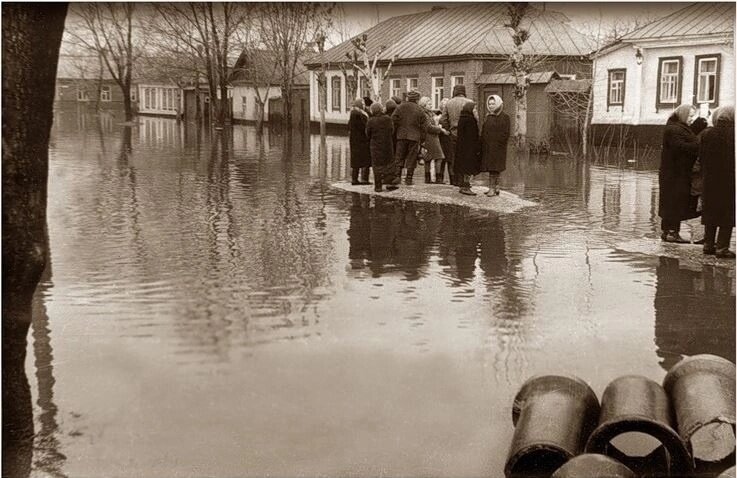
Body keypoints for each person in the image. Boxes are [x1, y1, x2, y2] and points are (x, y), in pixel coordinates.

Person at [658, 103, 699, 243]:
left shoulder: (675, 127)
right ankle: (672, 232)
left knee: (671, 202)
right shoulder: (675, 129)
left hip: (673, 173)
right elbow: (680, 147)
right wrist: (699, 145)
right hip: (675, 174)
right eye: (690, 116)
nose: (691, 119)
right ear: (683, 115)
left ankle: (667, 232)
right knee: (675, 202)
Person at [699, 106, 735, 258]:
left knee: (710, 211)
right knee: (728, 213)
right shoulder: (734, 134)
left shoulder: (707, 133)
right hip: (729, 180)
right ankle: (722, 247)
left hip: (710, 179)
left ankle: (708, 245)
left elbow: (700, 156)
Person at [440, 85, 475, 186]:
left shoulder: (449, 103)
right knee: (465, 157)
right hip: (467, 136)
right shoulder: (470, 103)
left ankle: (455, 181)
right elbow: (476, 119)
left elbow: (443, 120)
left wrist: (449, 129)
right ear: (464, 92)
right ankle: (464, 182)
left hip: (453, 134)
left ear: (454, 92)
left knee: (454, 158)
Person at [391, 90, 426, 185]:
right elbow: (424, 126)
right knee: (412, 157)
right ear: (417, 99)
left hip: (401, 136)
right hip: (414, 137)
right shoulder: (420, 110)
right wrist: (422, 139)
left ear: (408, 98)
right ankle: (409, 178)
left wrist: (395, 132)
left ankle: (397, 176)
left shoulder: (400, 107)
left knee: (399, 155)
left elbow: (393, 120)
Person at [480, 94, 510, 197]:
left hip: (498, 148)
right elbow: (484, 131)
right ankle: (495, 187)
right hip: (488, 147)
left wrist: (498, 142)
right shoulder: (488, 117)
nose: (491, 105)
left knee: (495, 168)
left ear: (498, 103)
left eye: (493, 103)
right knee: (491, 168)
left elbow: (506, 133)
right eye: (489, 103)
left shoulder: (505, 117)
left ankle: (493, 188)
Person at [366, 102, 398, 192]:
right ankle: (389, 184)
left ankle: (378, 186)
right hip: (387, 145)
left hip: (375, 146)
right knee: (389, 164)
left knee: (377, 166)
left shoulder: (371, 121)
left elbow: (367, 134)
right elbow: (392, 131)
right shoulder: (388, 119)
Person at [418, 96, 448, 183]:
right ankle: (438, 179)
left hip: (429, 138)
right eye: (429, 104)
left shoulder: (429, 113)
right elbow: (428, 127)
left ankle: (427, 178)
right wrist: (440, 128)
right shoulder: (424, 114)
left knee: (428, 158)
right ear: (424, 105)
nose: (431, 105)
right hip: (430, 137)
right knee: (439, 157)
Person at [454, 101, 481, 196]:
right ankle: (465, 186)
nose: (476, 111)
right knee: (468, 168)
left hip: (462, 147)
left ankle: (463, 185)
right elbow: (473, 136)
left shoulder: (462, 118)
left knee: (463, 167)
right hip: (469, 148)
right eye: (474, 109)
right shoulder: (470, 120)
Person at [348, 98, 372, 185]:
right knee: (365, 160)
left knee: (356, 161)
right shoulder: (358, 114)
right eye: (363, 104)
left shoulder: (354, 113)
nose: (364, 105)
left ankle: (355, 179)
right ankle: (364, 179)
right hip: (362, 141)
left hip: (355, 141)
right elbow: (364, 127)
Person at [437, 98, 452, 184]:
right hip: (441, 139)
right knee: (441, 159)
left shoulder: (450, 116)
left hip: (448, 139)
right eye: (444, 104)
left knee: (450, 160)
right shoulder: (438, 116)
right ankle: (440, 178)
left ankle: (452, 179)